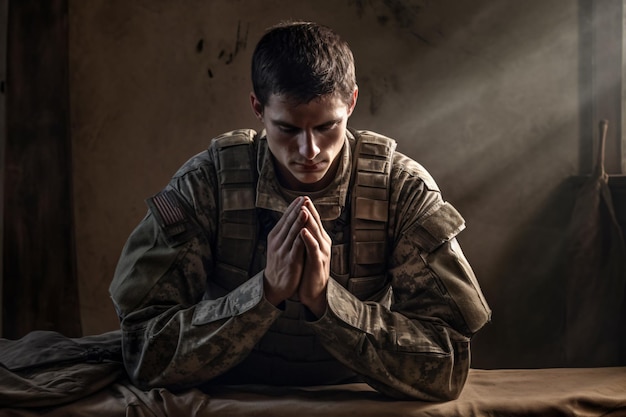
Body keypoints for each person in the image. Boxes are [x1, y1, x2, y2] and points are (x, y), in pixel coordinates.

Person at [109, 20, 491, 402]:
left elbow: (448, 363)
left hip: (357, 396)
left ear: (352, 102)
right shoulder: (206, 185)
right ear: (257, 108)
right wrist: (264, 294)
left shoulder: (400, 190)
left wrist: (328, 302)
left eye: (327, 126)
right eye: (288, 129)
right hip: (236, 395)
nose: (309, 150)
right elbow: (143, 349)